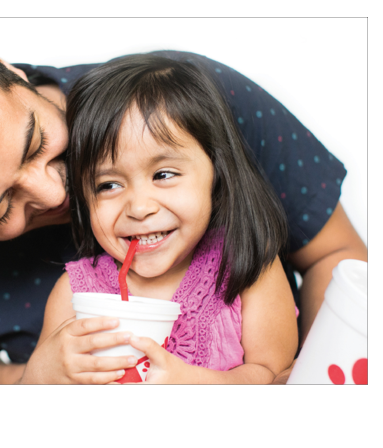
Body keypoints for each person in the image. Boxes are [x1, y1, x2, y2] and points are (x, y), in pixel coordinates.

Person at [0, 18, 367, 384]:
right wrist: (44, 374)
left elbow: (337, 259)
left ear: (4, 68)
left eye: (36, 143)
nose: (57, 194)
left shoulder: (187, 104)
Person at [35, 54, 299, 384]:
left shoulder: (249, 267)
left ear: (216, 174)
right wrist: (43, 374)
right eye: (109, 185)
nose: (139, 208)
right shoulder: (73, 294)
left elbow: (272, 374)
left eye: (163, 174)